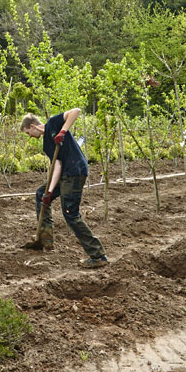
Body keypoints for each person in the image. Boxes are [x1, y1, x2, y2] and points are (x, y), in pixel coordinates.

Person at [20, 108, 108, 268]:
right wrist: (49, 191)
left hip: (75, 171)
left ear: (32, 126)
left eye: (28, 133)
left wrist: (63, 131)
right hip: (64, 173)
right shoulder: (47, 144)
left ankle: (98, 255)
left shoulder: (54, 123)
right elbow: (57, 165)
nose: (29, 137)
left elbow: (76, 111)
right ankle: (44, 239)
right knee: (41, 194)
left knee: (71, 214)